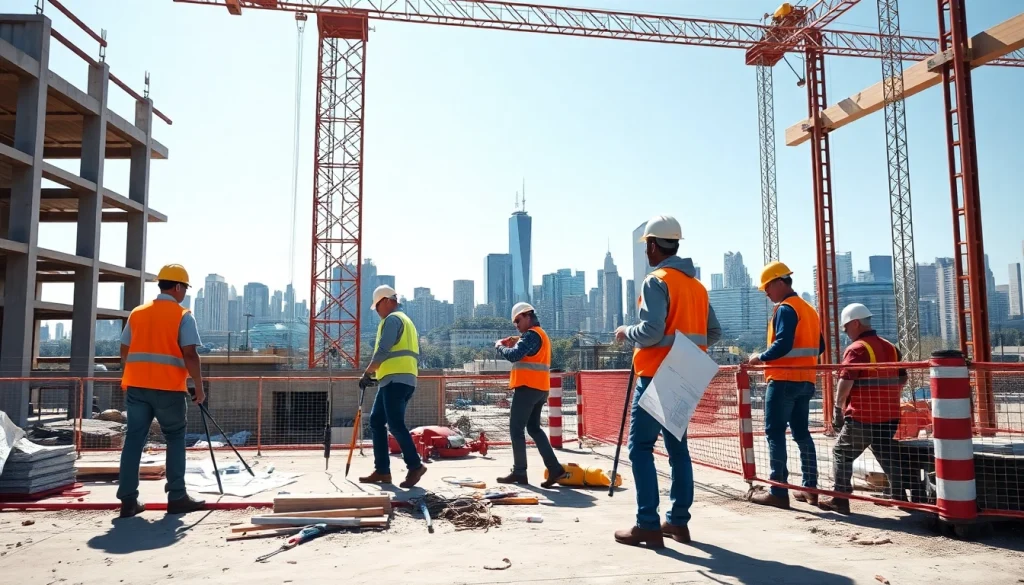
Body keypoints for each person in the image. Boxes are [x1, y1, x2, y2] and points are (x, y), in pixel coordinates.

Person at [612, 215, 722, 549]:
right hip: (686, 374)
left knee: (641, 448)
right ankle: (677, 523)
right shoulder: (696, 287)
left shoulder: (656, 280)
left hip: (657, 374)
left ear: (651, 245)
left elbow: (651, 331)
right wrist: (686, 350)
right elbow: (713, 332)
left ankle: (647, 524)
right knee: (677, 450)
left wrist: (625, 332)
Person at [117, 264, 206, 518]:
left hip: (136, 387)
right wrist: (198, 387)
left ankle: (128, 501)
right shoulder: (182, 315)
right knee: (175, 438)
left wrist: (139, 371)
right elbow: (190, 353)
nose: (184, 293)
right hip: (169, 389)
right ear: (178, 287)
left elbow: (124, 350)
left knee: (134, 440)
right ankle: (177, 496)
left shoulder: (138, 313)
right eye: (185, 288)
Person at [747, 261, 825, 509]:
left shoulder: (786, 309)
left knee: (774, 433)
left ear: (780, 282)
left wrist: (760, 357)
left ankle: (778, 491)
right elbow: (820, 347)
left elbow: (783, 343)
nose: (766, 292)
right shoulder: (808, 310)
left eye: (768, 287)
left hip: (783, 380)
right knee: (802, 434)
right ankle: (810, 488)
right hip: (806, 381)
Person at [818, 303, 908, 513]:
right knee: (885, 452)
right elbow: (902, 378)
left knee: (842, 452)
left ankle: (840, 499)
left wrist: (839, 408)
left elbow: (845, 382)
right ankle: (899, 496)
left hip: (862, 416)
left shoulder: (856, 349)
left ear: (856, 323)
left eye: (846, 328)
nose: (846, 332)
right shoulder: (891, 347)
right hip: (889, 416)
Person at [358, 285, 427, 489]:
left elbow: (383, 350)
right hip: (396, 378)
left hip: (396, 379)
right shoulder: (406, 321)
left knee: (395, 424)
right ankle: (382, 470)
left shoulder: (392, 320)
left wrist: (367, 373)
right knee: (376, 421)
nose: (377, 311)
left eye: (378, 305)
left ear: (388, 301)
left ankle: (415, 465)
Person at [493, 302, 568, 488]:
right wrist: (517, 341)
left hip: (528, 388)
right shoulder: (538, 336)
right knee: (534, 428)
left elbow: (514, 355)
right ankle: (555, 469)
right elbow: (526, 353)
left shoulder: (532, 335)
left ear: (528, 316)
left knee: (516, 430)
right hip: (540, 388)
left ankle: (519, 471)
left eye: (518, 320)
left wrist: (499, 346)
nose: (516, 325)